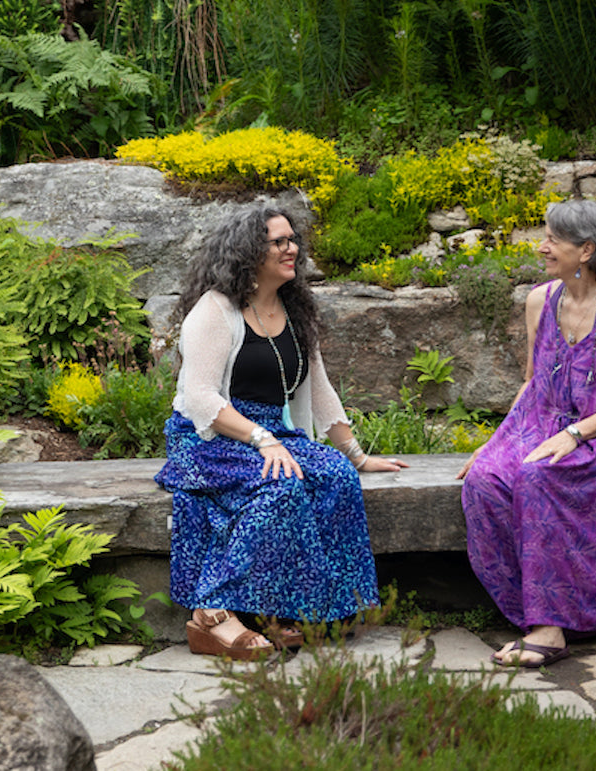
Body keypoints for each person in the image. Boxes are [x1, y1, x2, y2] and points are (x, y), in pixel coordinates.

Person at [155, 205, 407, 660]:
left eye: (293, 240)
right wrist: (261, 438)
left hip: (270, 432)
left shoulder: (294, 309)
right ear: (249, 251)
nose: (292, 249)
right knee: (282, 486)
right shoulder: (214, 310)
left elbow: (319, 388)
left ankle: (314, 608)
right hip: (209, 438)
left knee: (335, 476)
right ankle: (211, 609)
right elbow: (199, 398)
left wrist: (356, 455)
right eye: (279, 242)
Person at [457, 198, 596, 668]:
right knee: (485, 481)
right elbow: (531, 381)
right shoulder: (541, 298)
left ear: (587, 250)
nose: (542, 247)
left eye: (553, 240)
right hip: (541, 421)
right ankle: (535, 609)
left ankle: (550, 629)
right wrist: (493, 443)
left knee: (539, 476)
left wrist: (575, 435)